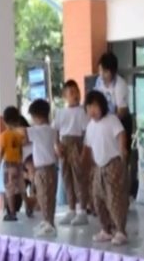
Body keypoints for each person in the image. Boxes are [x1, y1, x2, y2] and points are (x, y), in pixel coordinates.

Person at [83, 90, 130, 245]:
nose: (92, 110)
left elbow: (121, 134)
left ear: (102, 106)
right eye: (89, 107)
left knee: (115, 198)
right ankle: (106, 229)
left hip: (113, 163)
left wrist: (123, 150)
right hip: (98, 166)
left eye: (95, 106)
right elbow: (89, 147)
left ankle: (120, 231)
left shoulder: (111, 119)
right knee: (98, 199)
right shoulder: (90, 126)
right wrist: (89, 166)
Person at [17, 99, 59, 237]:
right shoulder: (52, 130)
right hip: (51, 168)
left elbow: (23, 133)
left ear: (37, 116)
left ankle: (49, 224)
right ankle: (48, 221)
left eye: (32, 117)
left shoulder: (37, 130)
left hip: (42, 169)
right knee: (49, 196)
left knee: (43, 196)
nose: (32, 120)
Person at [54, 80, 90, 226]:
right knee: (66, 178)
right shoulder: (60, 112)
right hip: (64, 145)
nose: (76, 95)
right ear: (65, 96)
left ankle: (82, 211)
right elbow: (55, 130)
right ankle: (71, 209)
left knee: (79, 178)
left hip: (77, 144)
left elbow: (86, 132)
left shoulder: (82, 111)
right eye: (72, 93)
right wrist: (57, 145)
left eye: (77, 92)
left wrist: (84, 151)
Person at [0, 106, 27, 222]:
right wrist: (21, 161)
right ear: (17, 119)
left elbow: (1, 152)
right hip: (18, 164)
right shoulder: (19, 135)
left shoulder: (4, 135)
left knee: (10, 189)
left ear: (4, 120)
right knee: (22, 187)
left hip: (8, 165)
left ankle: (12, 213)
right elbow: (21, 149)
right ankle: (28, 207)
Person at [20, 115, 36, 218]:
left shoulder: (32, 135)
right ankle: (28, 203)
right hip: (22, 167)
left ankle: (32, 202)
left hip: (34, 165)